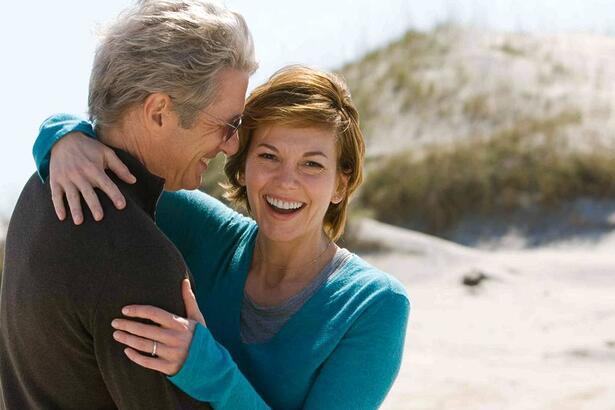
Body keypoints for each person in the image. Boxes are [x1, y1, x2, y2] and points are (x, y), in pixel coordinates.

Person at [29, 65, 411, 409]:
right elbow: (122, 144)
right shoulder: (205, 231)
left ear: (341, 185)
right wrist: (64, 137)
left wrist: (209, 371)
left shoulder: (374, 305)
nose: (286, 182)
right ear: (241, 166)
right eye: (268, 156)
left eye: (312, 164)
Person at [0, 1, 256, 408]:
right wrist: (212, 369)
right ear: (158, 112)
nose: (232, 144)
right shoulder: (139, 262)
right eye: (226, 125)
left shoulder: (42, 186)